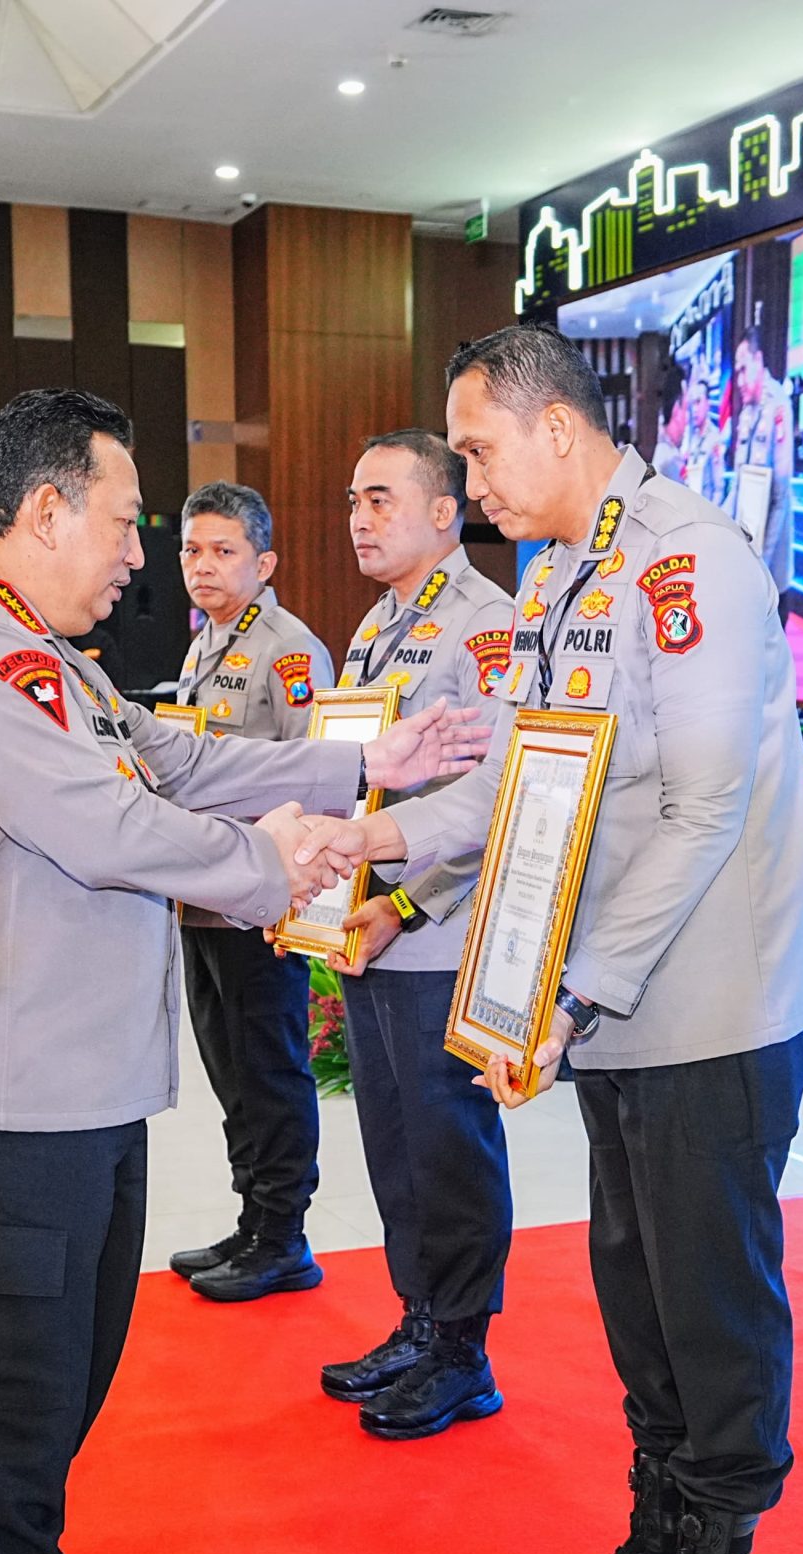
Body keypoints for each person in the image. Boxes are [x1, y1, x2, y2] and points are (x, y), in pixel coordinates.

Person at [0, 387, 489, 1554]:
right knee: (15, 1390)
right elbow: (108, 825)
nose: (136, 555)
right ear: (44, 512)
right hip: (5, 1098)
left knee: (65, 1373)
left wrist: (361, 763)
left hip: (70, 1086)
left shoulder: (47, 656)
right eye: (121, 521)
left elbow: (178, 759)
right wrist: (277, 866)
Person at [296, 325, 803, 1554]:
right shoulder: (558, 576)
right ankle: (655, 1542)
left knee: (710, 1297)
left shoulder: (687, 561)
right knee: (636, 1288)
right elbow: (520, 785)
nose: (471, 480)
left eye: (477, 450)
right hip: (613, 1007)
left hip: (710, 1003)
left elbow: (704, 808)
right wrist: (374, 844)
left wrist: (577, 989)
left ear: (553, 426)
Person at [316, 429, 522, 1440]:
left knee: (448, 1144)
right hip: (369, 927)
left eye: (381, 499)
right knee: (393, 1140)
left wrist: (404, 906)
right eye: (355, 500)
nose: (360, 518)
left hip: (438, 935)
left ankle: (463, 1351)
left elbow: (494, 802)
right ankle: (420, 1319)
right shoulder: (375, 630)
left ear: (446, 511)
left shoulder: (486, 628)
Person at [166, 481, 339, 1303]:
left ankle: (283, 1235)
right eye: (191, 550)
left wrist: (290, 900)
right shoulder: (204, 643)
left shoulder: (287, 649)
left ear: (263, 563)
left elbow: (313, 775)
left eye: (222, 551)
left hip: (259, 900)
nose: (202, 565)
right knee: (228, 1064)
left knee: (268, 1065)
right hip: (203, 893)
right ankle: (252, 1218)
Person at [733, 331, 796, 611]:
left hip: (771, 569)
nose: (739, 381)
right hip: (747, 558)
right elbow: (738, 488)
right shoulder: (747, 414)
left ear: (758, 360)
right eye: (736, 372)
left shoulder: (778, 407)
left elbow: (780, 499)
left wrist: (762, 568)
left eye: (743, 369)